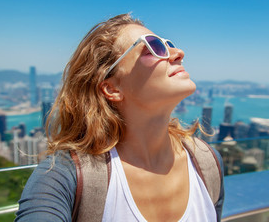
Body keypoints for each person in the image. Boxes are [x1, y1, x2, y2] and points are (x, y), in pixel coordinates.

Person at [15, 13, 224, 222]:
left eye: (169, 44)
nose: (178, 53)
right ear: (112, 87)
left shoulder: (207, 163)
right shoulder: (64, 175)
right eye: (153, 47)